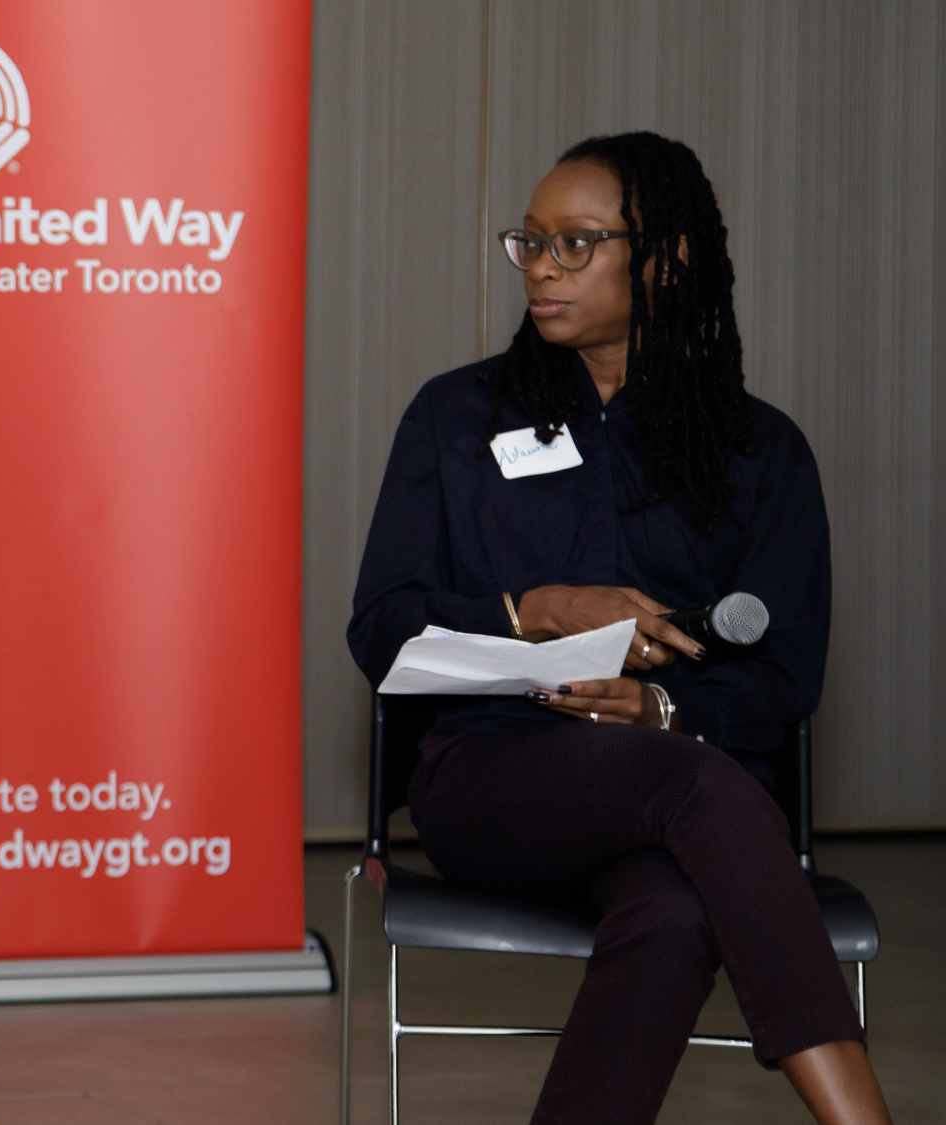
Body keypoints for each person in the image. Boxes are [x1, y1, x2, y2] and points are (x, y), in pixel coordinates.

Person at [348, 132, 894, 1125]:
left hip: (677, 783)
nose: (541, 269)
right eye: (530, 242)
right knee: (699, 786)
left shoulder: (758, 450)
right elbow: (379, 628)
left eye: (575, 243)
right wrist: (533, 610)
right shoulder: (455, 418)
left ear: (666, 260)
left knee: (674, 911)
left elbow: (785, 673)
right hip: (491, 776)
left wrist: (662, 707)